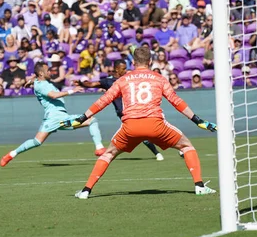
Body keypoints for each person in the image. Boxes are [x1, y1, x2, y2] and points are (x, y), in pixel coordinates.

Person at [64, 46, 217, 199]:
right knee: (186, 146)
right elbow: (176, 101)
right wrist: (197, 120)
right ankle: (199, 186)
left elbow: (103, 100)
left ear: (133, 63)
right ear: (150, 61)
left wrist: (82, 118)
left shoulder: (122, 80)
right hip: (156, 125)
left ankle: (85, 191)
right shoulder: (159, 78)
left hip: (130, 127)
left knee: (108, 154)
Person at [0, 61, 105, 167]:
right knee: (92, 120)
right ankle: (99, 148)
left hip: (52, 119)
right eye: (47, 70)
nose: (50, 72)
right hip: (58, 118)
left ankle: (11, 154)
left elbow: (37, 81)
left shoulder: (40, 82)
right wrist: (72, 91)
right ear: (41, 73)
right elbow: (53, 95)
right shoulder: (41, 85)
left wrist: (32, 80)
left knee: (37, 141)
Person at [79, 59, 164, 161]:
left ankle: (107, 155)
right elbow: (91, 85)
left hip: (134, 111)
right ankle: (160, 152)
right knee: (140, 134)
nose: (125, 71)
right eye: (123, 68)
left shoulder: (128, 79)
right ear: (116, 69)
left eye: (126, 68)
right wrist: (81, 82)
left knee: (144, 134)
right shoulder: (108, 81)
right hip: (123, 114)